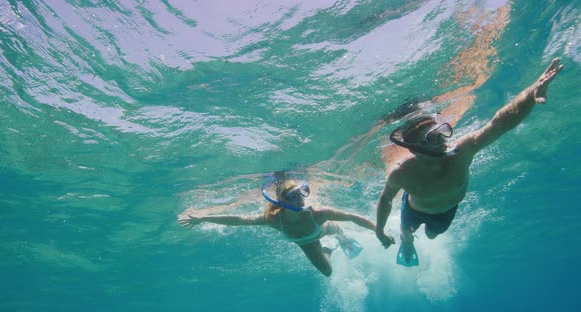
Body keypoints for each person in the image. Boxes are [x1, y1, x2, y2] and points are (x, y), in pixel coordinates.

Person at [375, 58, 564, 266]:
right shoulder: (401, 173)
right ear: (414, 150)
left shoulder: (461, 152)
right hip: (413, 210)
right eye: (431, 138)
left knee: (431, 235)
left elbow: (498, 124)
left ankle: (421, 235)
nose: (441, 141)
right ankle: (408, 244)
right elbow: (385, 200)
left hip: (446, 212)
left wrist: (530, 93)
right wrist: (380, 231)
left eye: (441, 132)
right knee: (406, 233)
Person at [178, 179, 387, 276]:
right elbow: (239, 219)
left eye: (303, 194)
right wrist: (203, 218)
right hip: (307, 243)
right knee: (327, 271)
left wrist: (379, 231)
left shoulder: (318, 213)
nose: (302, 200)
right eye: (295, 197)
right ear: (282, 202)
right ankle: (328, 249)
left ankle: (341, 239)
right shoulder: (273, 219)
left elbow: (352, 217)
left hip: (324, 228)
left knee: (339, 230)